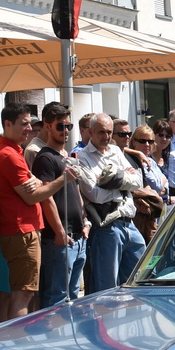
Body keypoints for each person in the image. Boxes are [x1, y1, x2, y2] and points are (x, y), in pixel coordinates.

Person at [0, 103, 69, 322]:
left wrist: (38, 184)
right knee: (24, 293)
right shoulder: (9, 154)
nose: (29, 129)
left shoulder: (11, 150)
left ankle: (8, 342)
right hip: (21, 230)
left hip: (18, 229)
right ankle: (17, 343)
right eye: (23, 124)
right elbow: (32, 195)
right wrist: (64, 179)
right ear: (7, 124)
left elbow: (35, 188)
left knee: (12, 292)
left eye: (30, 124)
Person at [72, 114, 145, 292]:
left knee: (139, 280)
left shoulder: (116, 151)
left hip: (129, 223)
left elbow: (138, 182)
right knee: (107, 287)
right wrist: (122, 183)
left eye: (109, 132)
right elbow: (94, 194)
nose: (106, 137)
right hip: (107, 226)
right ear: (90, 132)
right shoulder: (83, 157)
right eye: (101, 132)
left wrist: (110, 181)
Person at [30, 104, 86, 309]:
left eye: (69, 127)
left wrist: (86, 220)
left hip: (78, 236)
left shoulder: (67, 156)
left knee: (73, 296)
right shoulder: (45, 157)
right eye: (61, 126)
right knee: (57, 297)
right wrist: (59, 231)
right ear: (48, 126)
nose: (65, 131)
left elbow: (77, 191)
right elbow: (46, 197)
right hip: (60, 238)